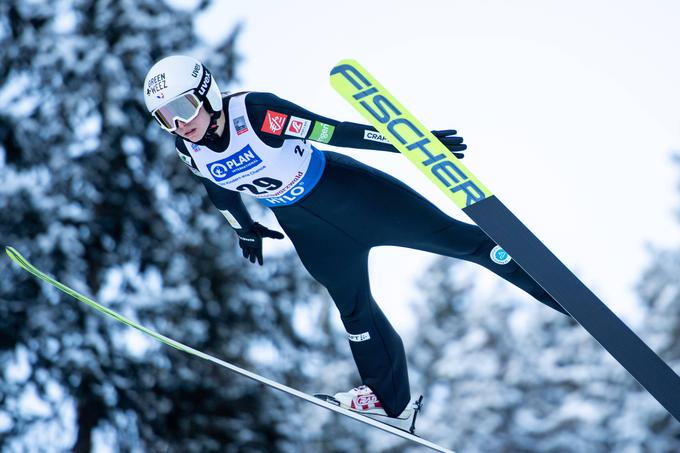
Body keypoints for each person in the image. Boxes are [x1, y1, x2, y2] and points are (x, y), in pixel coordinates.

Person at [143, 55, 568, 427]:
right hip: (308, 229)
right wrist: (243, 228)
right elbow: (218, 190)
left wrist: (415, 143)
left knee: (461, 242)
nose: (180, 124)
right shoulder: (189, 149)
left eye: (183, 107)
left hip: (352, 196)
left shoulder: (255, 115)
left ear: (206, 92)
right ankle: (390, 403)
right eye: (165, 117)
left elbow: (335, 132)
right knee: (354, 311)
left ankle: (560, 294)